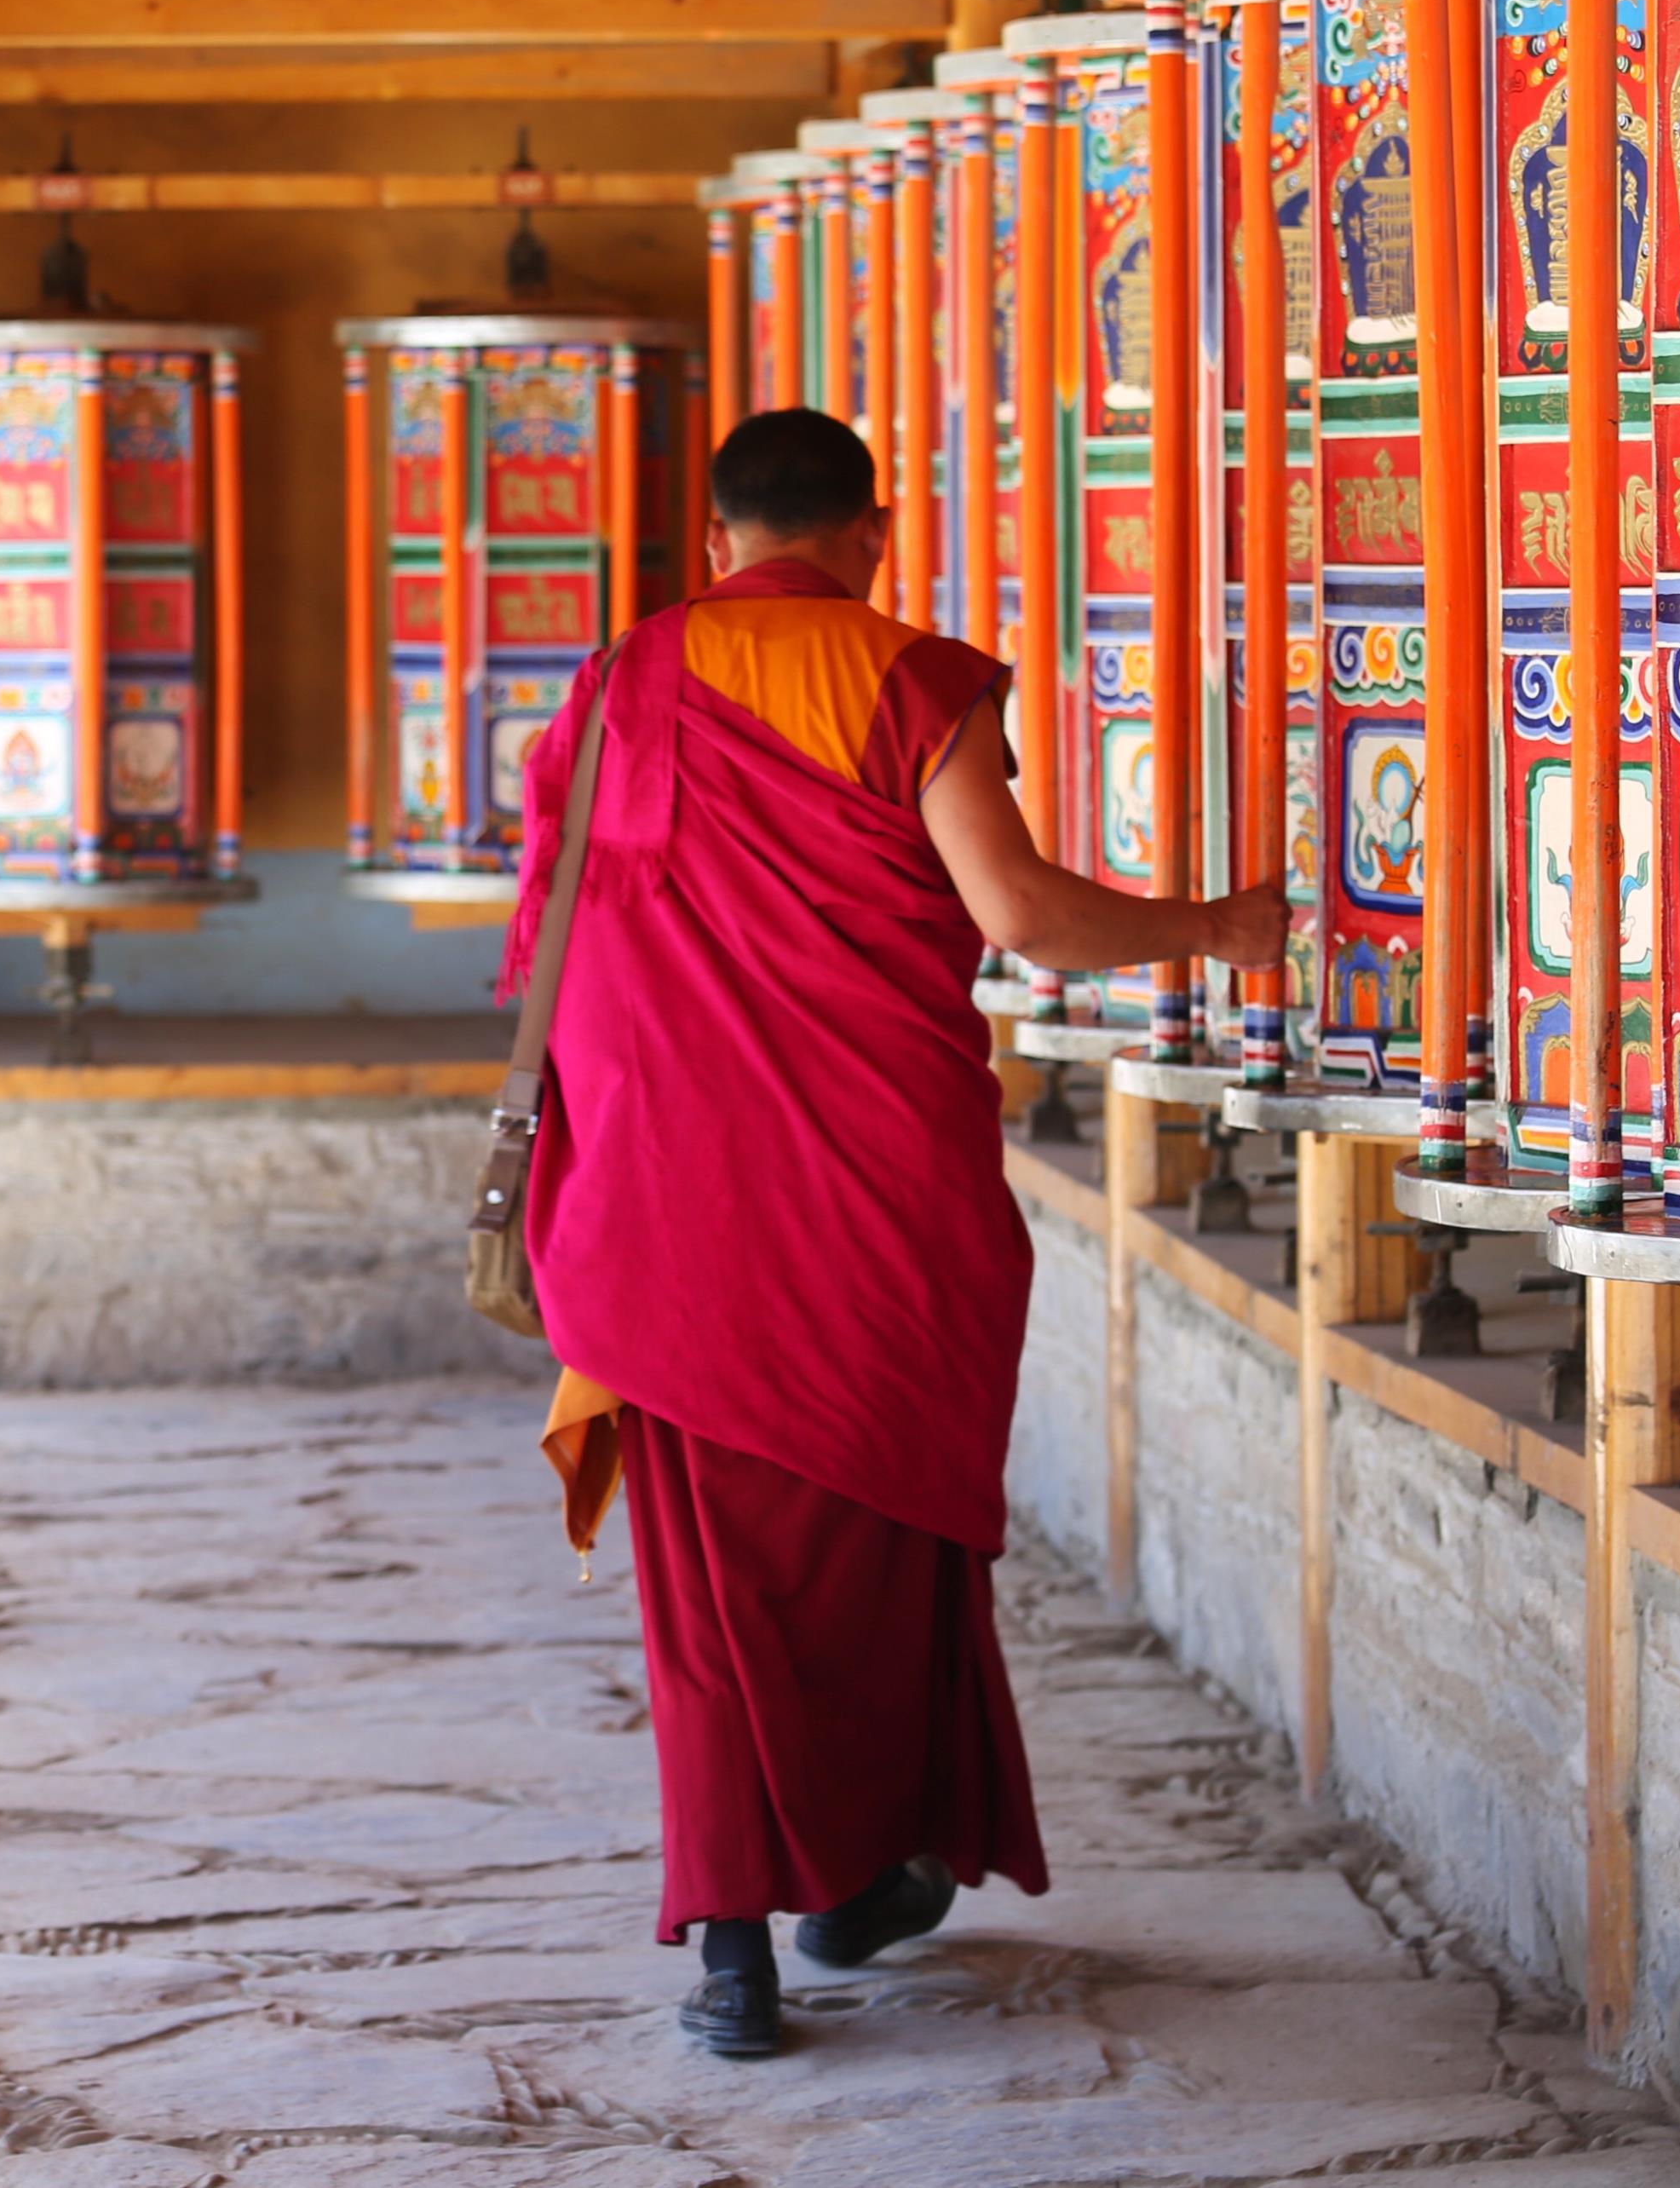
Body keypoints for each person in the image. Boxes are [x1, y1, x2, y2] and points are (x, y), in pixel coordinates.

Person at [506, 408, 1286, 2057]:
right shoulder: (908, 680)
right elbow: (1019, 915)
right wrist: (1211, 927)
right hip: (865, 1207)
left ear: (715, 545)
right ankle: (862, 1875)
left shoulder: (613, 688)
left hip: (659, 1209)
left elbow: (561, 948)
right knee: (884, 1556)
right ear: (871, 532)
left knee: (708, 1598)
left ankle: (733, 1948)